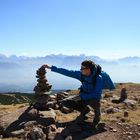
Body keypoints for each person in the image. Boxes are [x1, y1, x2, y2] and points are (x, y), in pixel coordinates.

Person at [42, 60, 102, 130]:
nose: (80, 70)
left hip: (93, 98)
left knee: (96, 105)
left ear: (88, 69)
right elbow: (67, 72)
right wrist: (51, 67)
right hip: (82, 95)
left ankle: (97, 118)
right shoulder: (81, 75)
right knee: (65, 101)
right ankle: (84, 110)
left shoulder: (98, 78)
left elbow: (97, 94)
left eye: (82, 68)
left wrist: (81, 97)